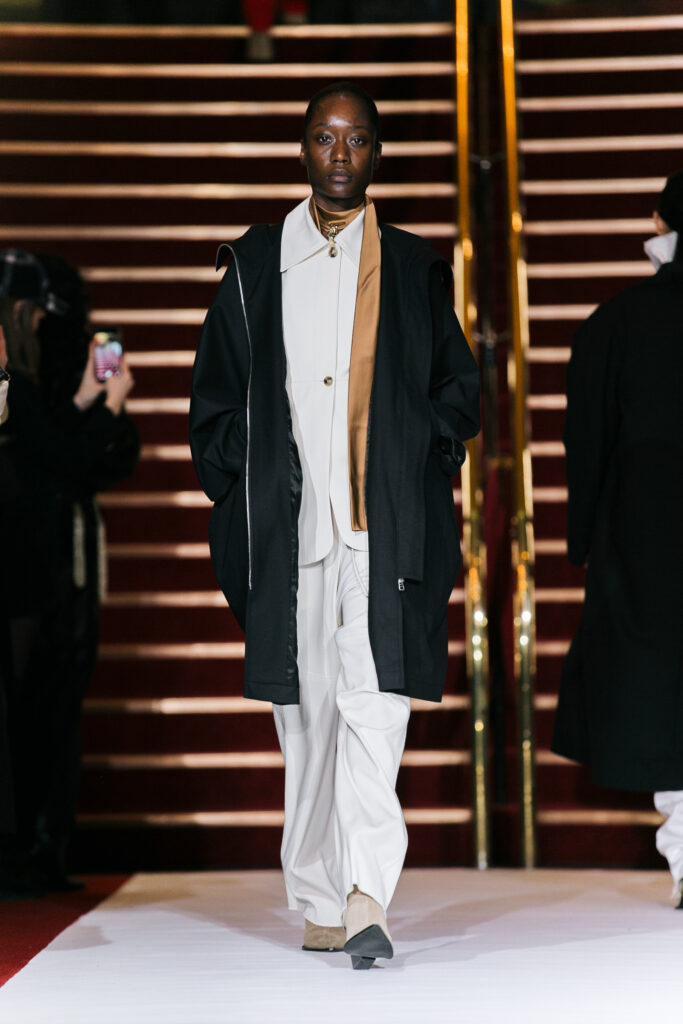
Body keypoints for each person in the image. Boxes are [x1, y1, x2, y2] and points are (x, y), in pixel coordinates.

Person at [190, 82, 480, 967]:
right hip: (292, 531)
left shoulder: (414, 266)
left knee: (376, 707)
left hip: (380, 526)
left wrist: (418, 450)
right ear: (303, 149)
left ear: (377, 152)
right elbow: (212, 402)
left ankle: (365, 895)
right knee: (310, 721)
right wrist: (249, 474)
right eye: (325, 137)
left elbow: (458, 391)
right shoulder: (253, 264)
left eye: (356, 139)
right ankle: (319, 893)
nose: (341, 153)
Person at [552, 170, 683, 907]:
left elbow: (587, 443)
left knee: (663, 697)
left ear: (661, 221)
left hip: (645, 538)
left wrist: (585, 541)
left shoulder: (614, 324)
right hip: (645, 533)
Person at [0, 250, 139, 896]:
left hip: (45, 557)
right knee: (38, 707)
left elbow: (76, 452)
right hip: (31, 561)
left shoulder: (38, 376)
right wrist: (105, 406)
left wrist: (92, 400)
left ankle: (40, 847)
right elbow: (61, 455)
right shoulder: (22, 380)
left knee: (47, 706)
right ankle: (31, 849)